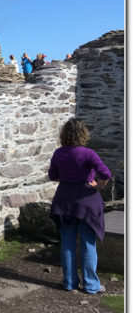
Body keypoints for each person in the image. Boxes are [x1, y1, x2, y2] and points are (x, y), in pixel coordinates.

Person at [48, 118, 111, 295]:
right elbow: (105, 173)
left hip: (64, 202)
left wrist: (69, 178)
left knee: (67, 243)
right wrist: (98, 185)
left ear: (64, 134)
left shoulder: (59, 153)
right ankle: (91, 285)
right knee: (87, 244)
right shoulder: (88, 153)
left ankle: (69, 282)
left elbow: (53, 175)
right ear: (83, 134)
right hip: (86, 203)